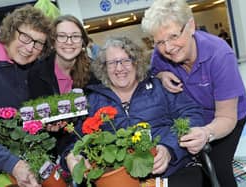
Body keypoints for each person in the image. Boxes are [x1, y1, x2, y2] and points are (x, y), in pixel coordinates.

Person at [63, 36, 205, 187]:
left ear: (136, 62)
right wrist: (72, 156)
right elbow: (75, 141)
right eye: (112, 63)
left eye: (126, 60)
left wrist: (169, 149)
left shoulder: (160, 88)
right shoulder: (92, 101)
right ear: (104, 67)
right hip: (118, 179)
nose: (119, 68)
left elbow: (193, 114)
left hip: (172, 172)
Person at [141, 0, 246, 186]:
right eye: (159, 42)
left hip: (225, 118)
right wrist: (160, 75)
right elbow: (150, 76)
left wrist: (206, 132)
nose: (168, 47)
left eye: (173, 36)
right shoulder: (159, 57)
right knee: (194, 170)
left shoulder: (220, 55)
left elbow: (226, 117)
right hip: (192, 118)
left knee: (217, 167)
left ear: (190, 26)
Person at [0, 5, 52, 187]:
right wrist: (13, 165)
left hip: (20, 167)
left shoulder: (28, 65)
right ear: (9, 31)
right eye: (25, 37)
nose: (29, 48)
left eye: (38, 43)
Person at [28, 15, 98, 155]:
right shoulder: (37, 73)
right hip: (53, 151)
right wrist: (46, 125)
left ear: (83, 42)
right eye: (62, 36)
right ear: (53, 41)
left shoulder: (94, 73)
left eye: (75, 36)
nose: (69, 42)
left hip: (91, 146)